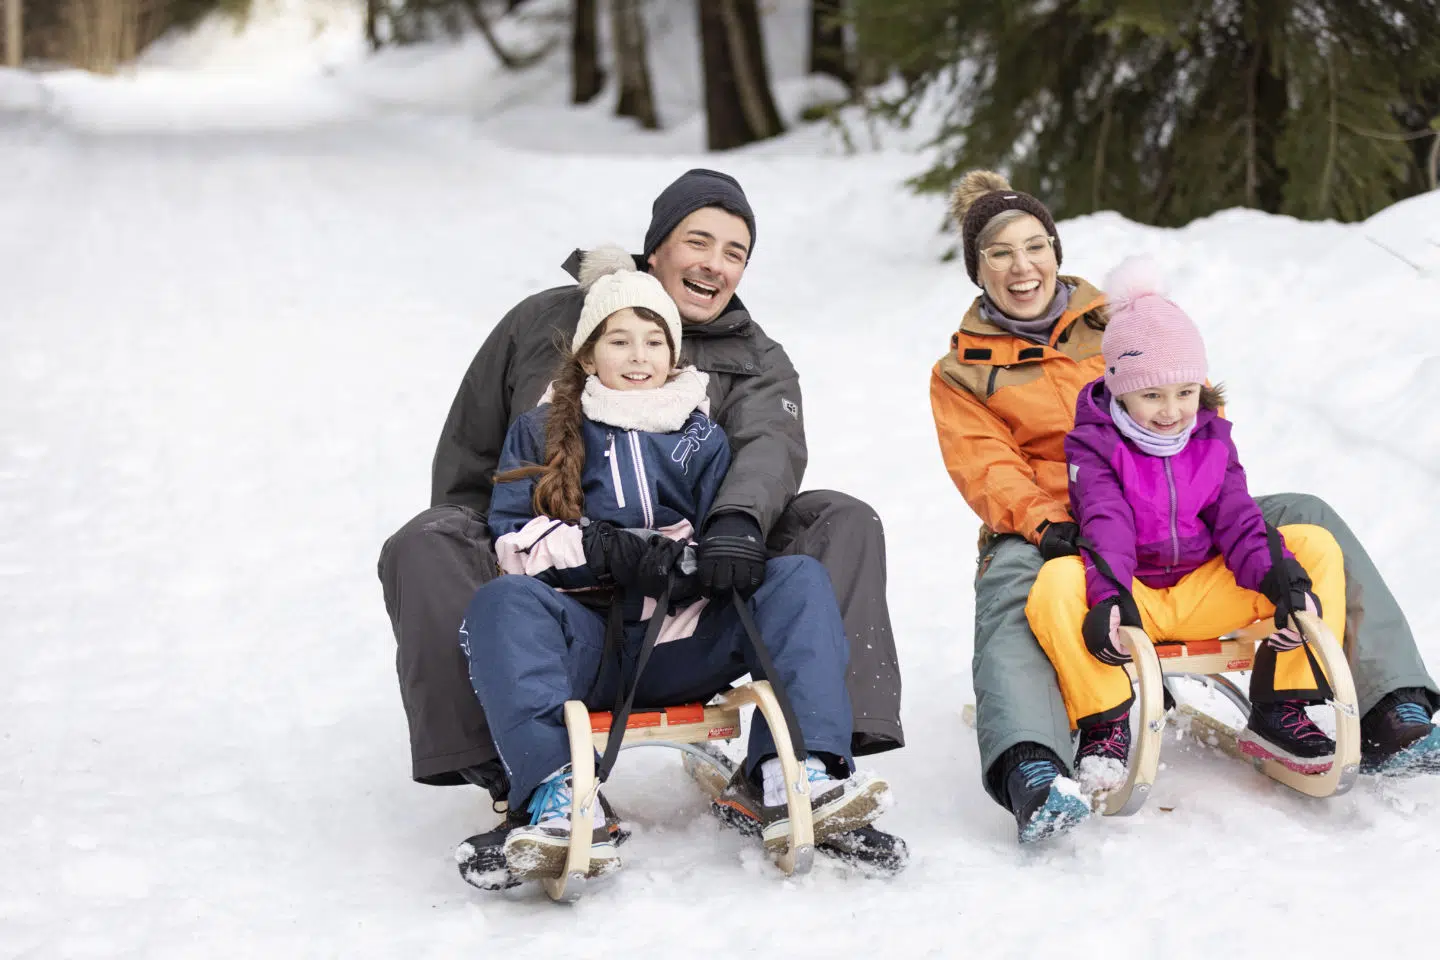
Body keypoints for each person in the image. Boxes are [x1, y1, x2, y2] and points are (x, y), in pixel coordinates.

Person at [378, 169, 904, 857]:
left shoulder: (750, 363)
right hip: (560, 583)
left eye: (735, 252)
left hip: (698, 591)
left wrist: (732, 528)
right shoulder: (544, 322)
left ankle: (804, 761)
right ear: (656, 248)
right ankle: (525, 773)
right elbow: (475, 461)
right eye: (699, 241)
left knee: (841, 523)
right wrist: (536, 553)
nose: (716, 264)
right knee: (428, 541)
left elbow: (766, 453)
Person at [929, 169, 1440, 843]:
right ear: (978, 269)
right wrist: (1053, 523)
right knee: (1015, 583)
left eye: (1035, 245)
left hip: (1168, 500)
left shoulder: (1115, 318)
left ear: (1056, 248)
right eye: (999, 252)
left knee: (1304, 517)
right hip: (1053, 520)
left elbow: (1190, 397)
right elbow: (987, 469)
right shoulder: (964, 370)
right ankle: (1034, 760)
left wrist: (1202, 472)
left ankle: (1385, 703)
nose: (1022, 266)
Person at [460, 253, 890, 881]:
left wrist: (704, 560)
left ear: (674, 354)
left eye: (654, 341)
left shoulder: (700, 435)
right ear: (587, 355)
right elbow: (511, 543)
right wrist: (598, 548)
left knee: (797, 577)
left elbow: (724, 527)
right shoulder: (540, 430)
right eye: (620, 340)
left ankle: (794, 772)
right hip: (592, 650)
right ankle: (555, 799)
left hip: (688, 640)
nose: (639, 356)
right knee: (500, 604)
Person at [1021, 257, 1347, 837]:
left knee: (1311, 547)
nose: (1172, 411)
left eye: (1185, 391)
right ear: (1121, 390)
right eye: (1152, 395)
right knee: (1057, 583)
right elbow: (1106, 523)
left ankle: (1283, 705)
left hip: (1200, 587)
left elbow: (1239, 519)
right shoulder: (1094, 444)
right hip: (1134, 598)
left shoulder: (1211, 436)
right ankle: (1105, 723)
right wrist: (1112, 599)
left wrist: (1282, 583)